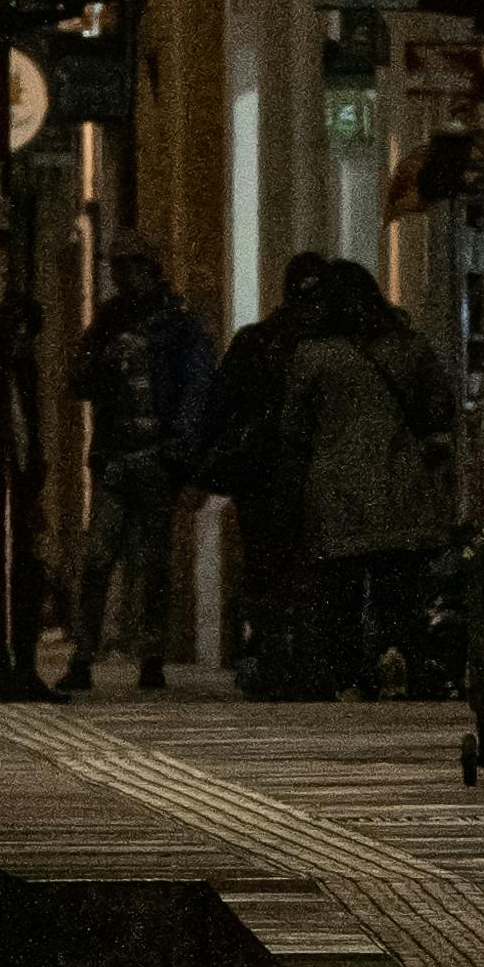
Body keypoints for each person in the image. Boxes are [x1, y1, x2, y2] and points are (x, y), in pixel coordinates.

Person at [273, 256, 462, 698]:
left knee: (339, 598)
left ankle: (351, 678)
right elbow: (440, 409)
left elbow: (293, 430)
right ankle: (403, 666)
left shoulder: (313, 357)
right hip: (401, 490)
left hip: (336, 496)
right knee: (399, 595)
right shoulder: (410, 348)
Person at [58, 242, 215, 696]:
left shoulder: (178, 324)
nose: (124, 278)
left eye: (131, 268)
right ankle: (84, 653)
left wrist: (180, 452)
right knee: (98, 558)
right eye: (118, 269)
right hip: (115, 458)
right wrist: (102, 359)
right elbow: (78, 379)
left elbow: (196, 387)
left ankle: (151, 655)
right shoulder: (109, 322)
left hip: (155, 459)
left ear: (150, 268)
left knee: (153, 563)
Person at [194, 254, 326, 695]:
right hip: (302, 472)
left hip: (263, 474)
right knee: (303, 567)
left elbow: (217, 406)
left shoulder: (258, 340)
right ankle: (298, 655)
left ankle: (271, 652)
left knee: (266, 565)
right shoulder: (326, 343)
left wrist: (205, 461)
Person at [0, 269, 49, 699]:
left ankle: (21, 668)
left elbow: (27, 433)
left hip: (16, 484)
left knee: (26, 575)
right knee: (2, 577)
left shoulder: (20, 372)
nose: (24, 345)